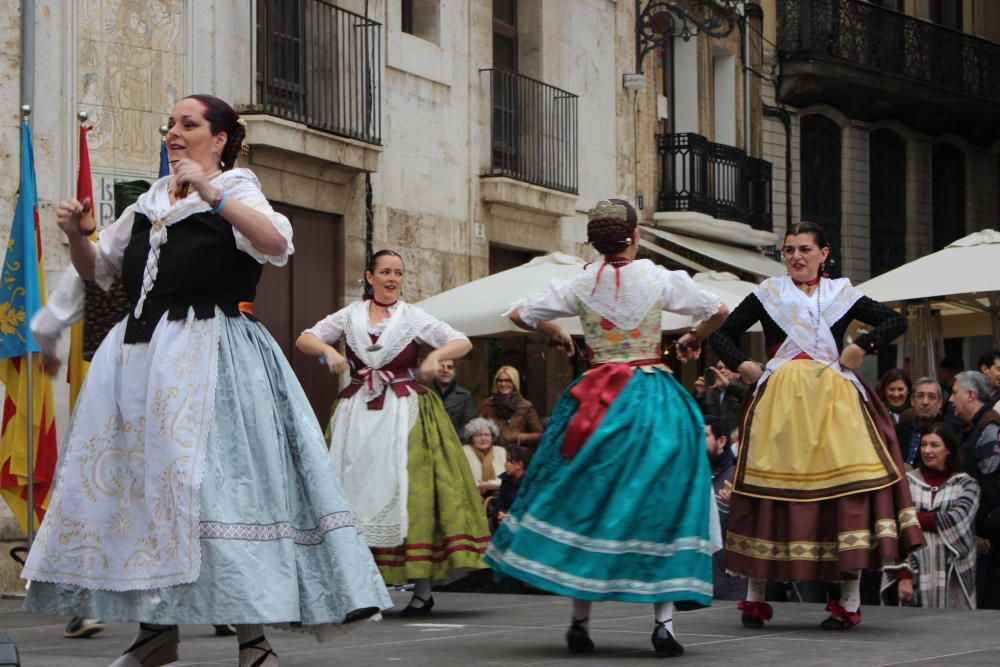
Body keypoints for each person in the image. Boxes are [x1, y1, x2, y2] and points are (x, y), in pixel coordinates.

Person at [22, 95, 392, 667]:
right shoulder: (147, 204)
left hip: (212, 356)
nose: (173, 132)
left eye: (187, 124)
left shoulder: (239, 191)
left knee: (218, 496)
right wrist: (76, 235)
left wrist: (212, 192)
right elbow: (100, 271)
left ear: (219, 139)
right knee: (145, 498)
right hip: (140, 364)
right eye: (170, 123)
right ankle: (155, 634)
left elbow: (275, 245)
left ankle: (254, 643)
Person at [486, 199, 729, 658]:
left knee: (587, 500)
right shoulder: (658, 277)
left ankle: (580, 622)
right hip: (654, 398)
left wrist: (558, 334)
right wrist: (694, 338)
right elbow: (718, 308)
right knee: (662, 502)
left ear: (595, 243)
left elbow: (519, 313)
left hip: (596, 399)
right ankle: (664, 626)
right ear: (635, 237)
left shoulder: (581, 281)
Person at [709, 220, 924, 631]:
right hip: (780, 403)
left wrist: (862, 346)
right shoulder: (768, 294)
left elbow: (893, 321)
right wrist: (744, 365)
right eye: (789, 250)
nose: (795, 256)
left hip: (833, 400)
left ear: (824, 254)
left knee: (843, 496)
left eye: (804, 249)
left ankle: (848, 600)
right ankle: (754, 599)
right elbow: (723, 336)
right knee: (769, 494)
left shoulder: (841, 293)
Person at [296, 250, 490, 617]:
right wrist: (326, 351)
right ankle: (358, 588)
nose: (392, 279)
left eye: (398, 273)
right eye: (385, 272)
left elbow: (461, 341)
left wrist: (436, 356)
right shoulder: (349, 315)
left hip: (404, 412)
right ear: (369, 276)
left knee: (412, 494)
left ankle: (422, 590)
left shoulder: (412, 316)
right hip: (357, 415)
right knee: (350, 491)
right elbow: (305, 338)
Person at [882, 423, 979, 608]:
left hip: (953, 578)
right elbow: (895, 526)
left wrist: (911, 519)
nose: (927, 450)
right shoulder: (906, 484)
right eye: (924, 445)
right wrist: (904, 574)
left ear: (948, 449)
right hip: (913, 577)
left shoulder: (966, 485)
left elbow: (956, 519)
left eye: (934, 445)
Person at [948, 370, 1000, 608]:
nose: (950, 399)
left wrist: (985, 527)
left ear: (970, 395)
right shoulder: (971, 428)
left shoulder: (989, 429)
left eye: (954, 392)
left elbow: (992, 486)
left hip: (989, 539)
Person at [704, 416, 746, 601]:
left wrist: (739, 506)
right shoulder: (692, 476)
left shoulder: (738, 477)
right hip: (697, 588)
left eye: (703, 436)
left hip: (730, 589)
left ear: (721, 441)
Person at [477, 366, 545, 450]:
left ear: (514, 382)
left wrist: (517, 436)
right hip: (491, 452)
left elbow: (539, 434)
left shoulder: (525, 406)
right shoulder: (488, 404)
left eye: (508, 380)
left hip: (514, 454)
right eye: (500, 380)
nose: (503, 384)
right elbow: (476, 429)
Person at [896, 377, 947, 468]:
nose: (925, 402)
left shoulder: (947, 433)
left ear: (940, 403)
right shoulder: (898, 431)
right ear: (912, 401)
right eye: (920, 396)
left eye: (931, 397)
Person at [693, 361, 748, 426]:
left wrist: (727, 384)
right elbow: (696, 416)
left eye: (727, 368)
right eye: (719, 368)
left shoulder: (744, 389)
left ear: (738, 374)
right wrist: (700, 394)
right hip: (714, 434)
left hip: (736, 434)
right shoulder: (710, 391)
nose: (722, 371)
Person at [491, 446, 533, 529]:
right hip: (502, 521)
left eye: (508, 462)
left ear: (519, 464)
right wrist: (500, 513)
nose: (505, 465)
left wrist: (508, 517)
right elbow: (500, 502)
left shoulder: (530, 484)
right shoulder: (506, 479)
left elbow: (526, 508)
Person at [462, 417, 507, 495]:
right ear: (471, 438)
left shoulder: (500, 451)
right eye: (478, 435)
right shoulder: (464, 451)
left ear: (492, 437)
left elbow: (507, 480)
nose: (483, 438)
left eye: (487, 435)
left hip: (499, 496)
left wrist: (487, 485)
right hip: (471, 496)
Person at [432, 359, 476, 437]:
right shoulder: (424, 393)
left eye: (449, 367)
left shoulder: (465, 396)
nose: (445, 370)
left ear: (454, 371)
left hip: (456, 443)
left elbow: (468, 425)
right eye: (441, 367)